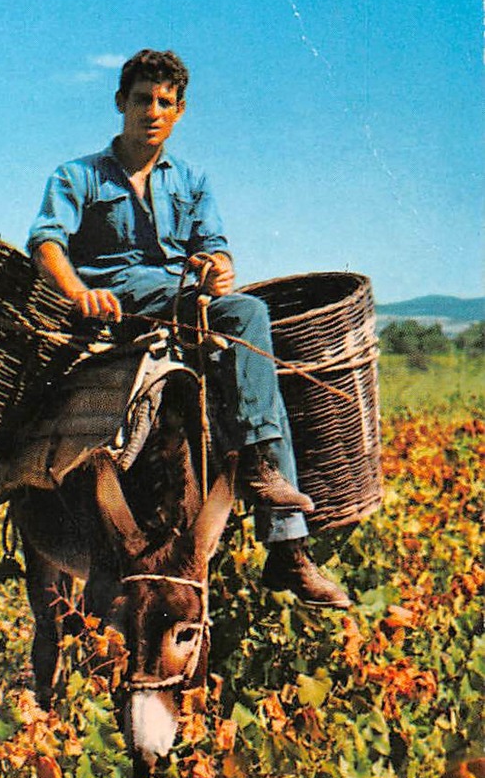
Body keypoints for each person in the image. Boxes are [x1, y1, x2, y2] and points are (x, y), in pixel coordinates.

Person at [27, 48, 350, 608]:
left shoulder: (194, 180)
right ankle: (261, 474)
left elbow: (216, 251)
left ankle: (288, 548)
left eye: (165, 102)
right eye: (142, 100)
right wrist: (80, 292)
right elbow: (46, 243)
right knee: (249, 315)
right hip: (119, 304)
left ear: (178, 112)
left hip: (183, 304)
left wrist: (216, 268)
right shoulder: (76, 175)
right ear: (121, 104)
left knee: (249, 333)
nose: (153, 111)